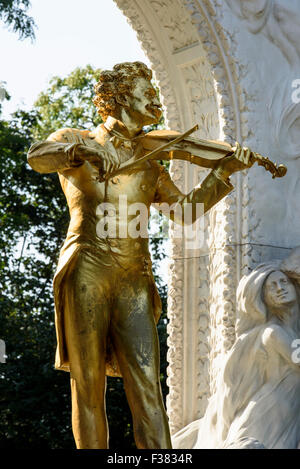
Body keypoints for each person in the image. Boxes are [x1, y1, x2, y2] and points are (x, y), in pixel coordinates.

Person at [27, 61, 254, 449]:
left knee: (148, 387)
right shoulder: (78, 139)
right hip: (87, 266)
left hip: (134, 275)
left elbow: (185, 211)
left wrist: (222, 172)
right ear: (118, 98)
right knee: (87, 385)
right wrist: (80, 151)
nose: (155, 100)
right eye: (146, 92)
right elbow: (37, 156)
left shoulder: (151, 160)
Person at [173, 250, 300, 449]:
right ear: (264, 299)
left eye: (284, 282)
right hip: (267, 419)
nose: (279, 288)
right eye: (271, 287)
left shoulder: (291, 332)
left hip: (288, 417)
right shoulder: (272, 333)